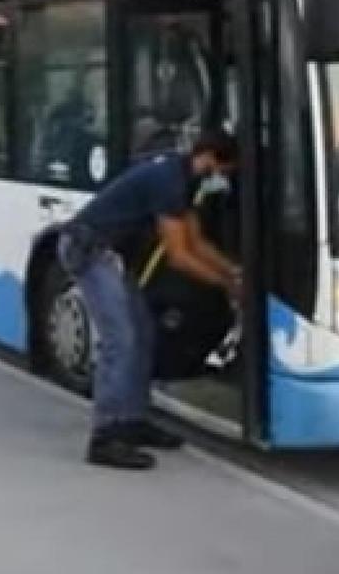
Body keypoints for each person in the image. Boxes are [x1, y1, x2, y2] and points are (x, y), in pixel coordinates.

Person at [58, 130, 240, 470]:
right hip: (88, 250)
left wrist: (234, 273)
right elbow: (179, 256)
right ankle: (105, 437)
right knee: (120, 341)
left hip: (110, 253)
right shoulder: (168, 180)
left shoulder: (183, 179)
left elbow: (197, 243)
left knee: (143, 335)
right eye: (224, 172)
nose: (223, 180)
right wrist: (225, 285)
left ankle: (133, 419)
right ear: (210, 159)